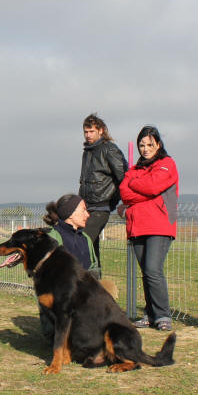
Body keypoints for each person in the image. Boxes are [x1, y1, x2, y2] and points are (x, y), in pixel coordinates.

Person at [119, 126, 178, 332]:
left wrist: (137, 186)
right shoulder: (134, 170)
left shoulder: (167, 164)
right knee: (147, 272)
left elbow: (153, 187)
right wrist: (143, 189)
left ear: (158, 145)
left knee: (153, 270)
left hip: (159, 225)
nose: (145, 149)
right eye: (141, 145)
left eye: (149, 145)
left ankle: (163, 315)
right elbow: (125, 194)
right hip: (137, 226)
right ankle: (151, 314)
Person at [39, 194, 99, 343]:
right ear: (70, 214)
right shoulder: (53, 238)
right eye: (83, 210)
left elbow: (95, 269)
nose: (88, 214)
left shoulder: (86, 239)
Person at [78, 114, 128, 265]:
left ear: (101, 131)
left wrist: (115, 202)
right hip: (86, 207)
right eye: (86, 132)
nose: (88, 135)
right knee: (92, 248)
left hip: (101, 207)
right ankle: (95, 283)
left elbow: (124, 178)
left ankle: (87, 282)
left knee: (82, 243)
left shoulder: (109, 149)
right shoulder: (87, 151)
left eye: (91, 131)